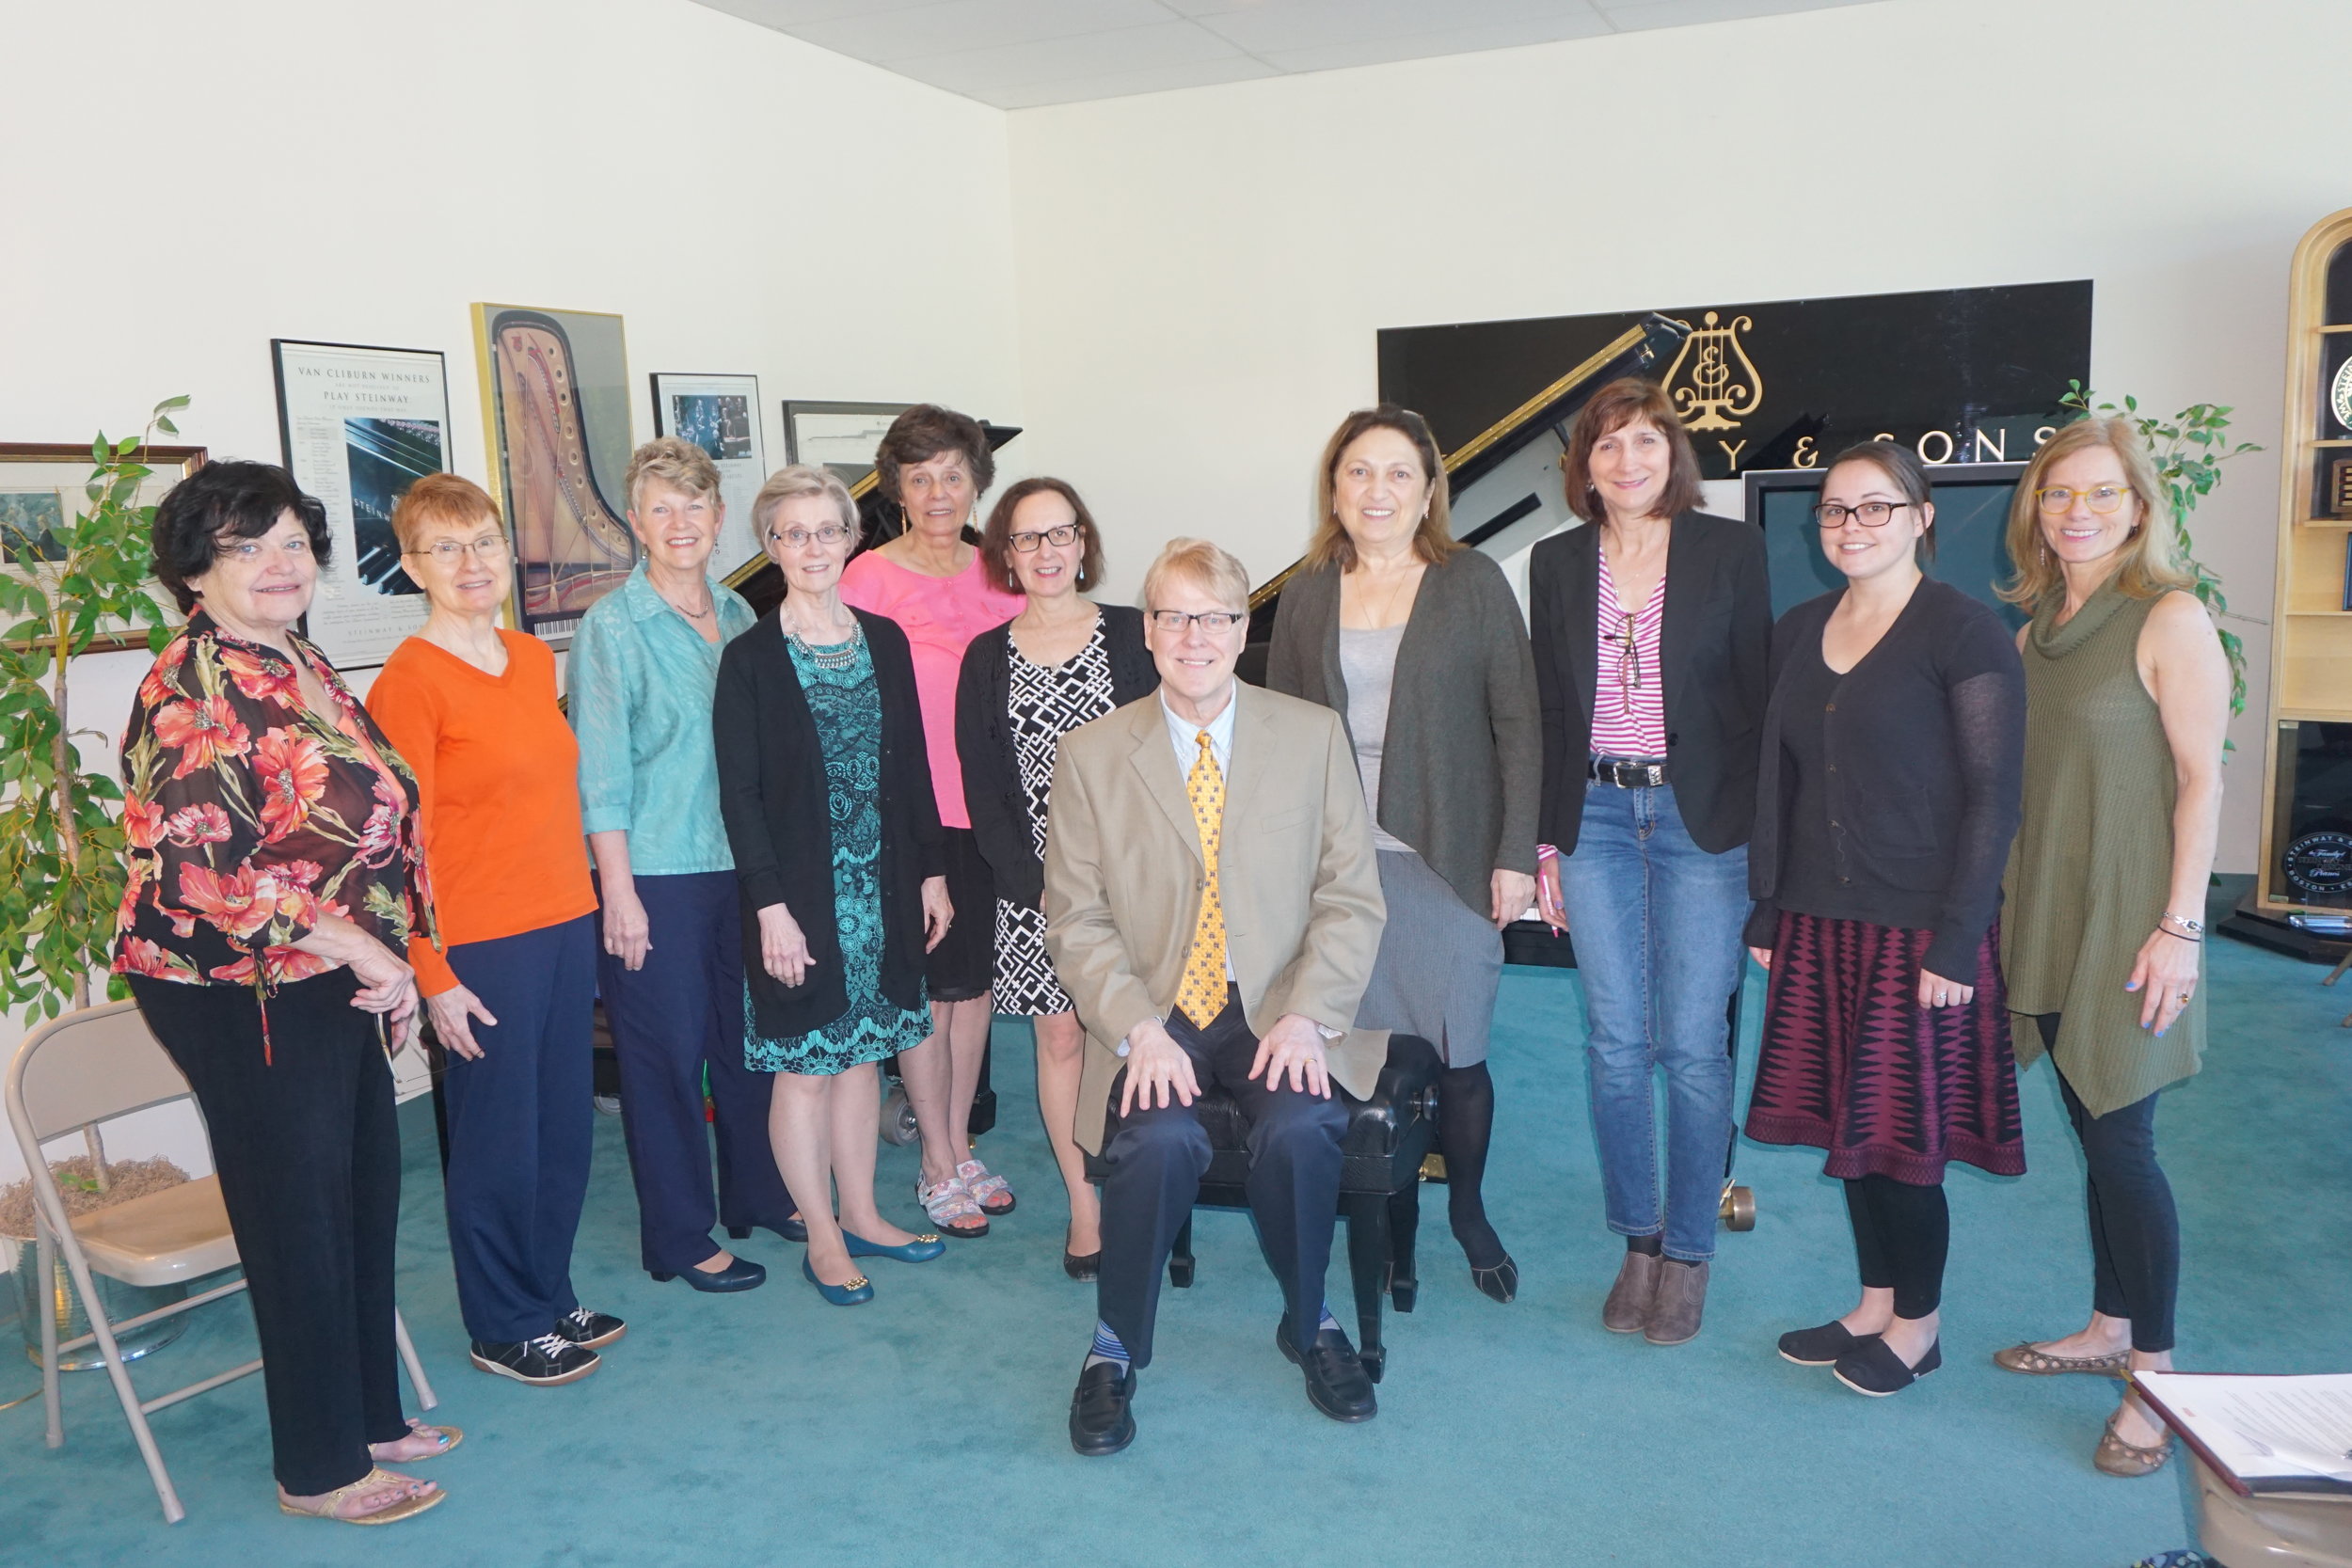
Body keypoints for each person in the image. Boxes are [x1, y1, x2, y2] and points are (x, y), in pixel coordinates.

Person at [114, 460, 453, 1523]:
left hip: (326, 968)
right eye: (246, 545)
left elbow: (367, 827)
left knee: (359, 1188)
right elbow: (198, 864)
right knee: (295, 1212)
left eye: (294, 542)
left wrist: (392, 952)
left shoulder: (295, 656)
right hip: (235, 980)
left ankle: (370, 1412)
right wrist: (361, 945)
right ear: (195, 570)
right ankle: (318, 1464)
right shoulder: (191, 680)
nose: (278, 563)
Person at [1045, 538, 1391, 1457]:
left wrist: (1310, 1013)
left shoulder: (1309, 734)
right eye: (1171, 614)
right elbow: (1074, 917)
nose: (1191, 634)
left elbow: (1351, 894)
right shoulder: (1090, 755)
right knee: (1158, 1137)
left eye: (1213, 616)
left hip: (1274, 1001)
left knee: (1302, 1126)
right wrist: (1135, 1026)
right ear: (1146, 628)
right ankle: (1113, 1343)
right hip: (1155, 1009)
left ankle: (1310, 1318)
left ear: (1243, 629)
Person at [1740, 442, 2028, 1397]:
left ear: (1919, 516)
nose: (1851, 526)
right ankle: (1872, 1303)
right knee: (1848, 1126)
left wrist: (1957, 937)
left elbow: (1993, 801)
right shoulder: (1797, 627)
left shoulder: (1964, 631)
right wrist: (1770, 908)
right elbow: (1778, 782)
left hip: (1920, 932)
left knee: (1904, 1140)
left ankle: (1919, 1323)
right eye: (1833, 510)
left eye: (1873, 507)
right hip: (1821, 921)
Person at [1993, 416, 2229, 1476]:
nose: (2075, 512)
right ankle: (2106, 1324)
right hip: (2051, 902)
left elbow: (2200, 780)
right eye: (2056, 494)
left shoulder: (2167, 615)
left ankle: (2162, 1377)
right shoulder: (2037, 619)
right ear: (2034, 511)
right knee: (2089, 1122)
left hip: (2134, 916)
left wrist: (2180, 927)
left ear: (2138, 506)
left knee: (2124, 1145)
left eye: (2097, 494)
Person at [1267, 406, 1539, 1303]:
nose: (1376, 490)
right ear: (1333, 488)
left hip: (1450, 854)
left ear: (1428, 490)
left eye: (1397, 473)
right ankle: (1387, 1214)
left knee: (1460, 1053)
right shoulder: (1308, 590)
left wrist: (1512, 854)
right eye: (1358, 472)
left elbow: (1519, 725)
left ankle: (1466, 1207)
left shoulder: (1472, 582)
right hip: (1341, 865)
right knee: (1363, 1053)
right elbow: (1282, 736)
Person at [364, 474, 621, 1390]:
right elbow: (400, 843)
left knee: (561, 1128)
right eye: (446, 548)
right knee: (495, 1135)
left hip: (562, 922)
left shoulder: (529, 655)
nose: (471, 564)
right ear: (410, 565)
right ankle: (502, 1319)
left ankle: (547, 1291)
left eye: (483, 543)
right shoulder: (408, 682)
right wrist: (429, 968)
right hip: (478, 942)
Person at [1528, 376, 1770, 1346]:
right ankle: (1637, 1234)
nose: (1626, 461)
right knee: (1615, 1041)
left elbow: (1758, 703)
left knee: (1691, 1043)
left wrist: (1768, 851)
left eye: (1644, 442)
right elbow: (1547, 705)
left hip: (1697, 819)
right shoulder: (1553, 563)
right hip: (1591, 810)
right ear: (1583, 466)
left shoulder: (1730, 550)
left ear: (1673, 454)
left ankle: (1690, 1244)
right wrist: (1544, 837)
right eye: (1606, 445)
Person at [716, 465, 953, 1306]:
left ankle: (863, 1213)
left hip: (882, 884)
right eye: (794, 531)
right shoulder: (748, 659)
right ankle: (820, 1234)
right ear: (771, 546)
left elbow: (914, 764)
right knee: (807, 1069)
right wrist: (771, 909)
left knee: (864, 1062)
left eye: (829, 529)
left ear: (854, 539)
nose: (814, 546)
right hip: (801, 899)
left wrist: (928, 870)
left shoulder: (884, 639)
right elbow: (739, 796)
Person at [568, 437, 793, 1294]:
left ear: (719, 516)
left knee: (748, 1044)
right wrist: (617, 891)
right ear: (636, 521)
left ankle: (756, 1190)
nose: (679, 523)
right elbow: (601, 773)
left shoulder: (739, 616)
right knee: (664, 1061)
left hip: (741, 867)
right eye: (660, 507)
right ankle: (676, 1234)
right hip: (654, 873)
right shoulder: (611, 628)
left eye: (694, 505)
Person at [955, 479, 1157, 1280]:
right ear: (1008, 555)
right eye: (1027, 538)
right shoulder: (986, 657)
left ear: (1083, 543)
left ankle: (1147, 1186)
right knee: (1062, 1033)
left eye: (1059, 534)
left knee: (1140, 1035)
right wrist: (1034, 883)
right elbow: (984, 789)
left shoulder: (1137, 634)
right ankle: (1085, 1206)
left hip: (1139, 876)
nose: (1046, 552)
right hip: (1035, 882)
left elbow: (1168, 758)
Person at [838, 404, 1025, 1238]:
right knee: (927, 995)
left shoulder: (1000, 567)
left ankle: (955, 1138)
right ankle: (936, 1162)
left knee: (974, 990)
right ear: (896, 490)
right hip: (910, 814)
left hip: (992, 808)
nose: (939, 490)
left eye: (954, 473)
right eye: (920, 477)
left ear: (976, 480)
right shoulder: (865, 579)